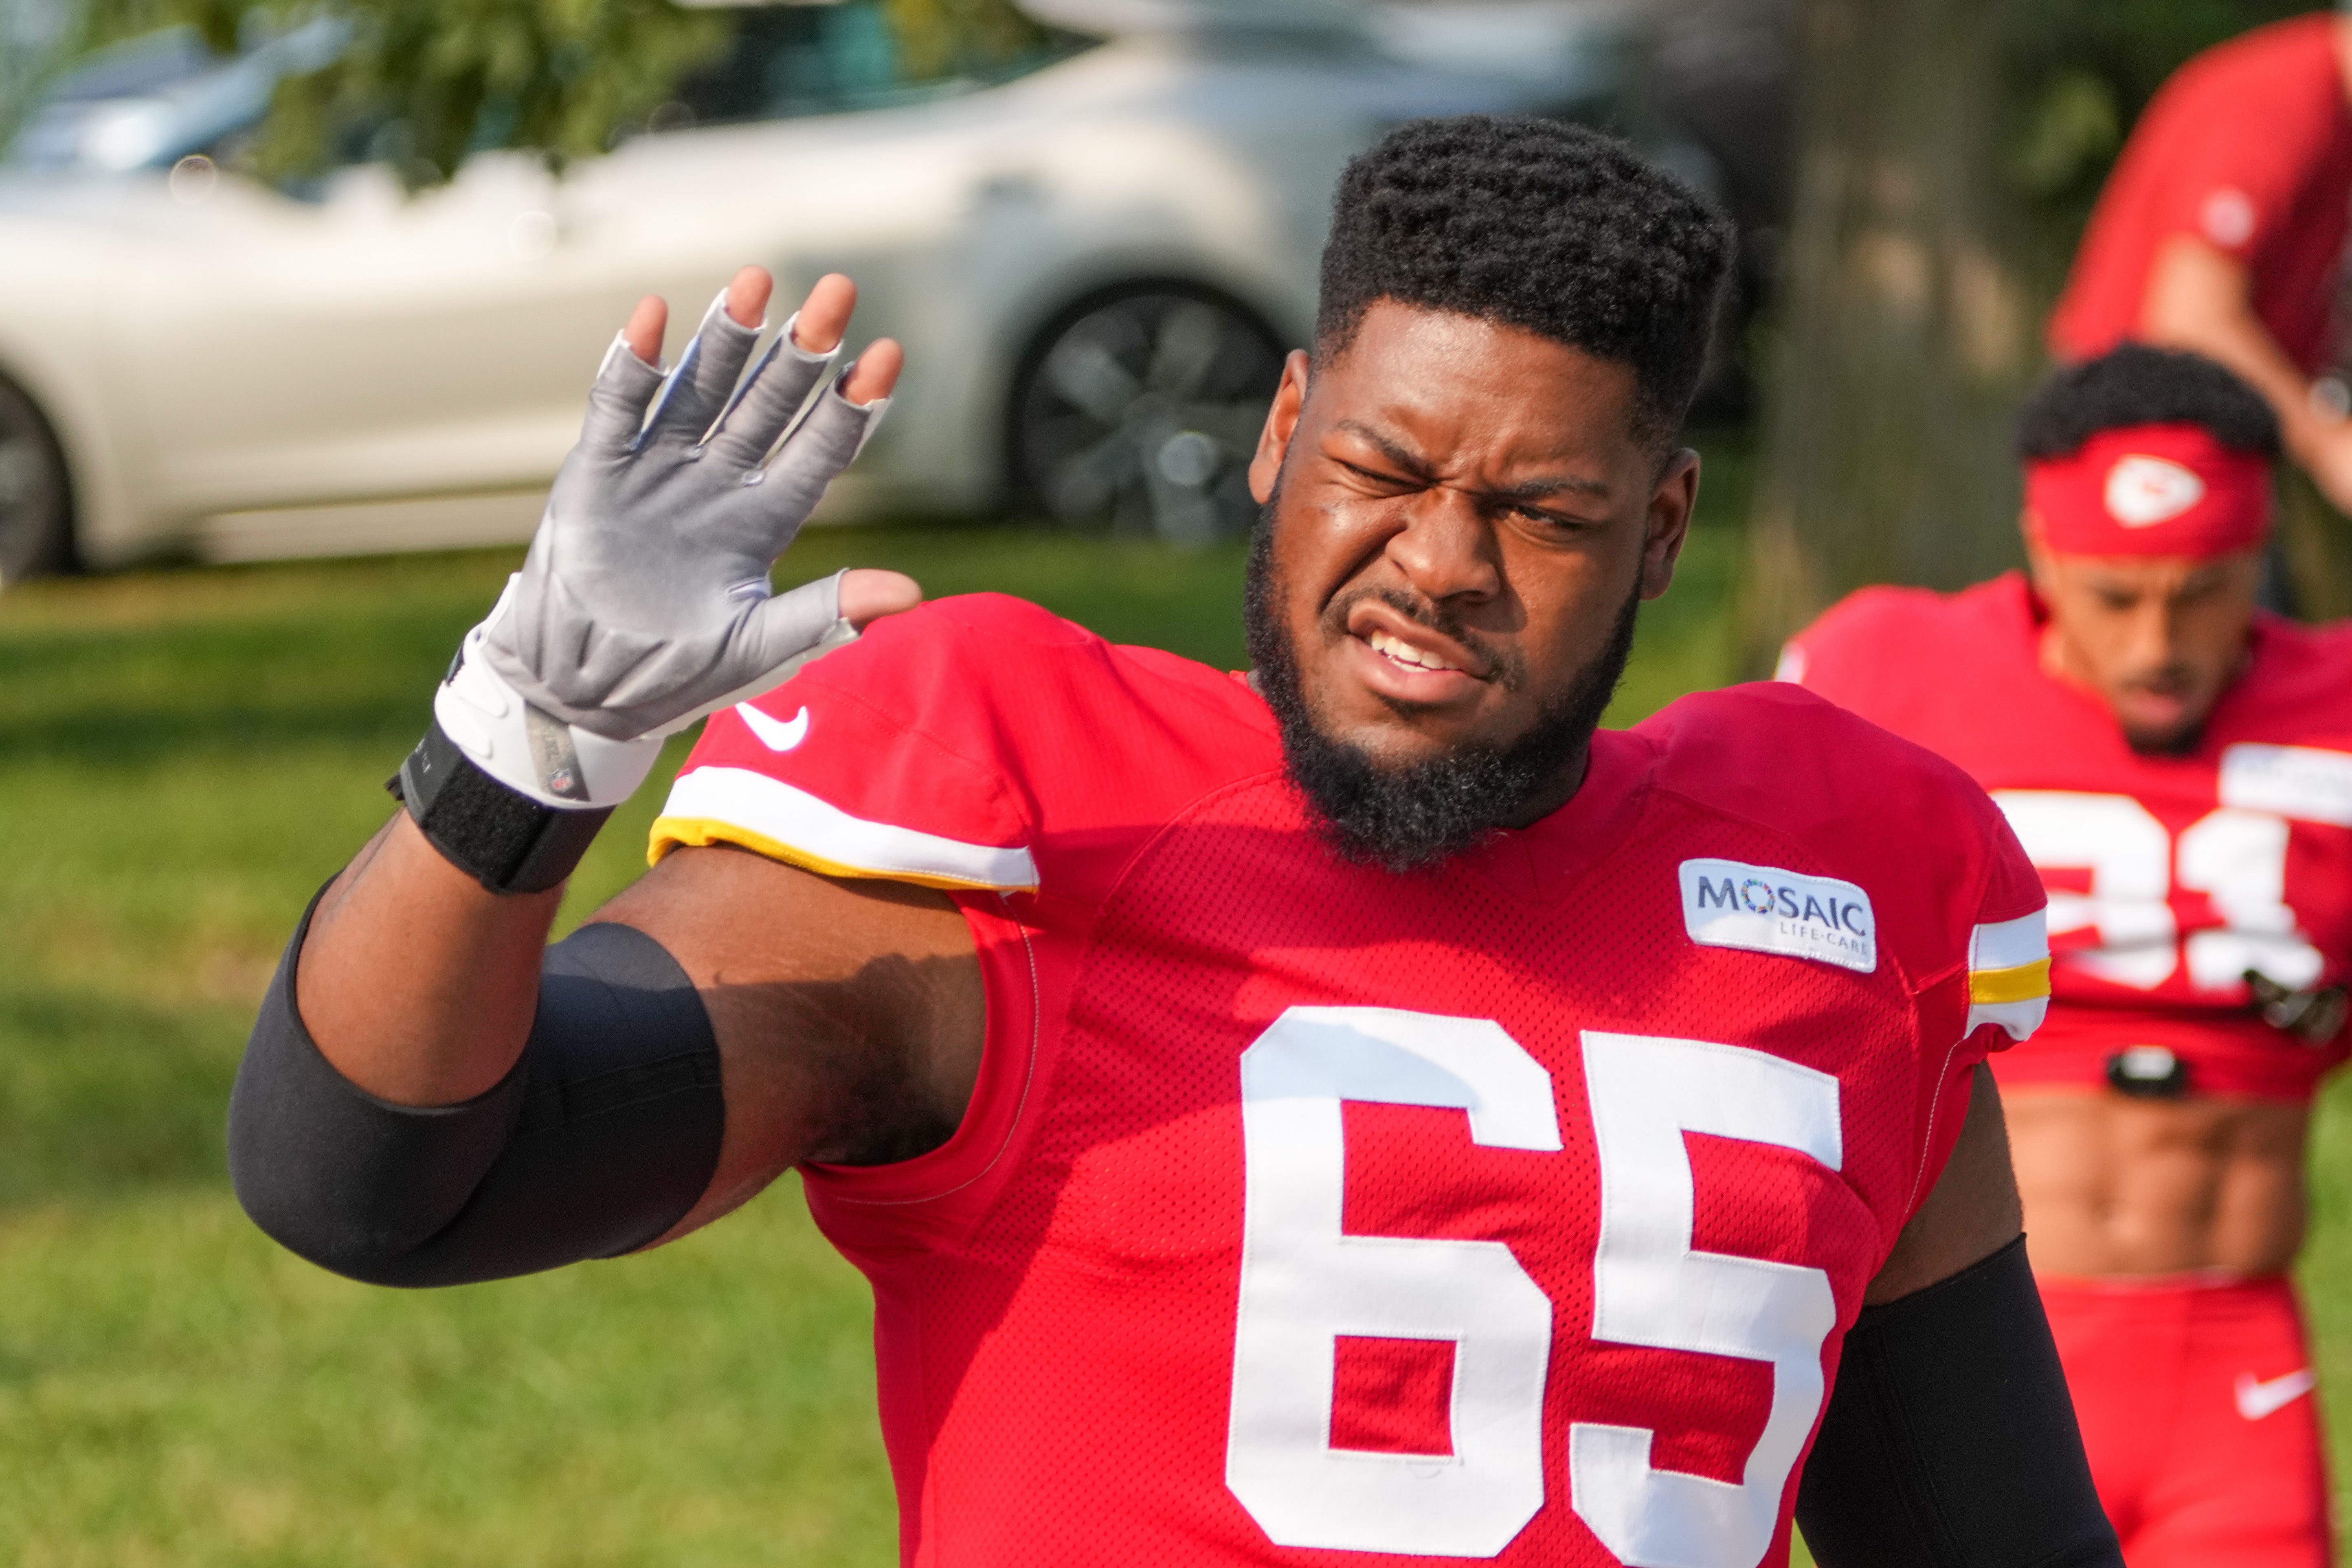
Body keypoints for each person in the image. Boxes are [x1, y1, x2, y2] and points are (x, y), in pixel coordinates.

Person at [229, 117, 2120, 1567]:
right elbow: (384, 1181)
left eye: (1540, 510)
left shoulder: (1844, 879)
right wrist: (518, 761)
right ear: (1283, 427)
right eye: (1383, 471)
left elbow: (1987, 1536)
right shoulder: (1032, 812)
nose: (1438, 569)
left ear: (1661, 529)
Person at [1781, 342, 2352, 1568]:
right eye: (2112, 592)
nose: (2157, 640)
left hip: (2229, 1359)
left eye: (2202, 588)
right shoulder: (1884, 672)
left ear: (2260, 560)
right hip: (1958, 1353)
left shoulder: (2334, 708)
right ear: (2039, 552)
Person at [2048, 12, 2352, 522]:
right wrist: (2330, 445)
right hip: (2142, 433)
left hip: (2221, 433)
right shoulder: (2278, 110)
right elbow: (2192, 322)